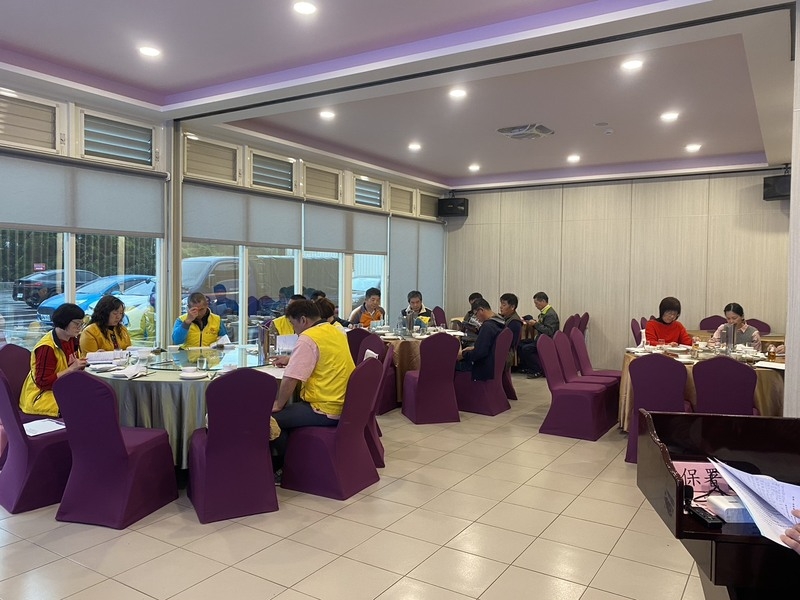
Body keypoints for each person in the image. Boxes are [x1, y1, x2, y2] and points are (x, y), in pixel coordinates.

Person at [270, 300, 356, 479]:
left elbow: (291, 378)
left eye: (293, 324)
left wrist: (278, 404)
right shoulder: (335, 330)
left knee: (269, 419)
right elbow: (324, 357)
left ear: (303, 320)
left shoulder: (308, 337)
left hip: (324, 407)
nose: (294, 330)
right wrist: (291, 359)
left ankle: (287, 468)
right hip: (346, 404)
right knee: (285, 415)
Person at [19, 303, 88, 417]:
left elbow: (73, 363)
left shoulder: (71, 340)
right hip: (41, 396)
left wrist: (92, 358)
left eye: (82, 323)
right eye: (77, 323)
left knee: (93, 396)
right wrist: (71, 369)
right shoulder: (47, 347)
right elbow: (43, 382)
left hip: (62, 389)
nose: (80, 327)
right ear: (64, 322)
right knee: (82, 404)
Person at [456, 298, 506, 380]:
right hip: (493, 364)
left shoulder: (487, 327)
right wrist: (473, 348)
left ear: (481, 310)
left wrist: (463, 355)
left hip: (482, 368)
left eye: (476, 314)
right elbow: (490, 345)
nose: (477, 318)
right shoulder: (500, 321)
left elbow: (479, 353)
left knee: (450, 365)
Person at [518, 292, 560, 378]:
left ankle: (537, 370)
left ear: (543, 301)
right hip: (540, 338)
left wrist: (535, 324)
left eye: (536, 303)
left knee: (527, 349)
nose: (536, 306)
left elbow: (549, 331)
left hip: (547, 341)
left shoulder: (550, 314)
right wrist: (534, 323)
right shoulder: (545, 312)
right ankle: (527, 367)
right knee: (519, 344)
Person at [498, 293, 523, 368]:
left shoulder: (514, 322)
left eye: (504, 305)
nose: (501, 307)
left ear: (512, 307)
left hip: (505, 354)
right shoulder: (506, 318)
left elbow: (507, 343)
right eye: (501, 304)